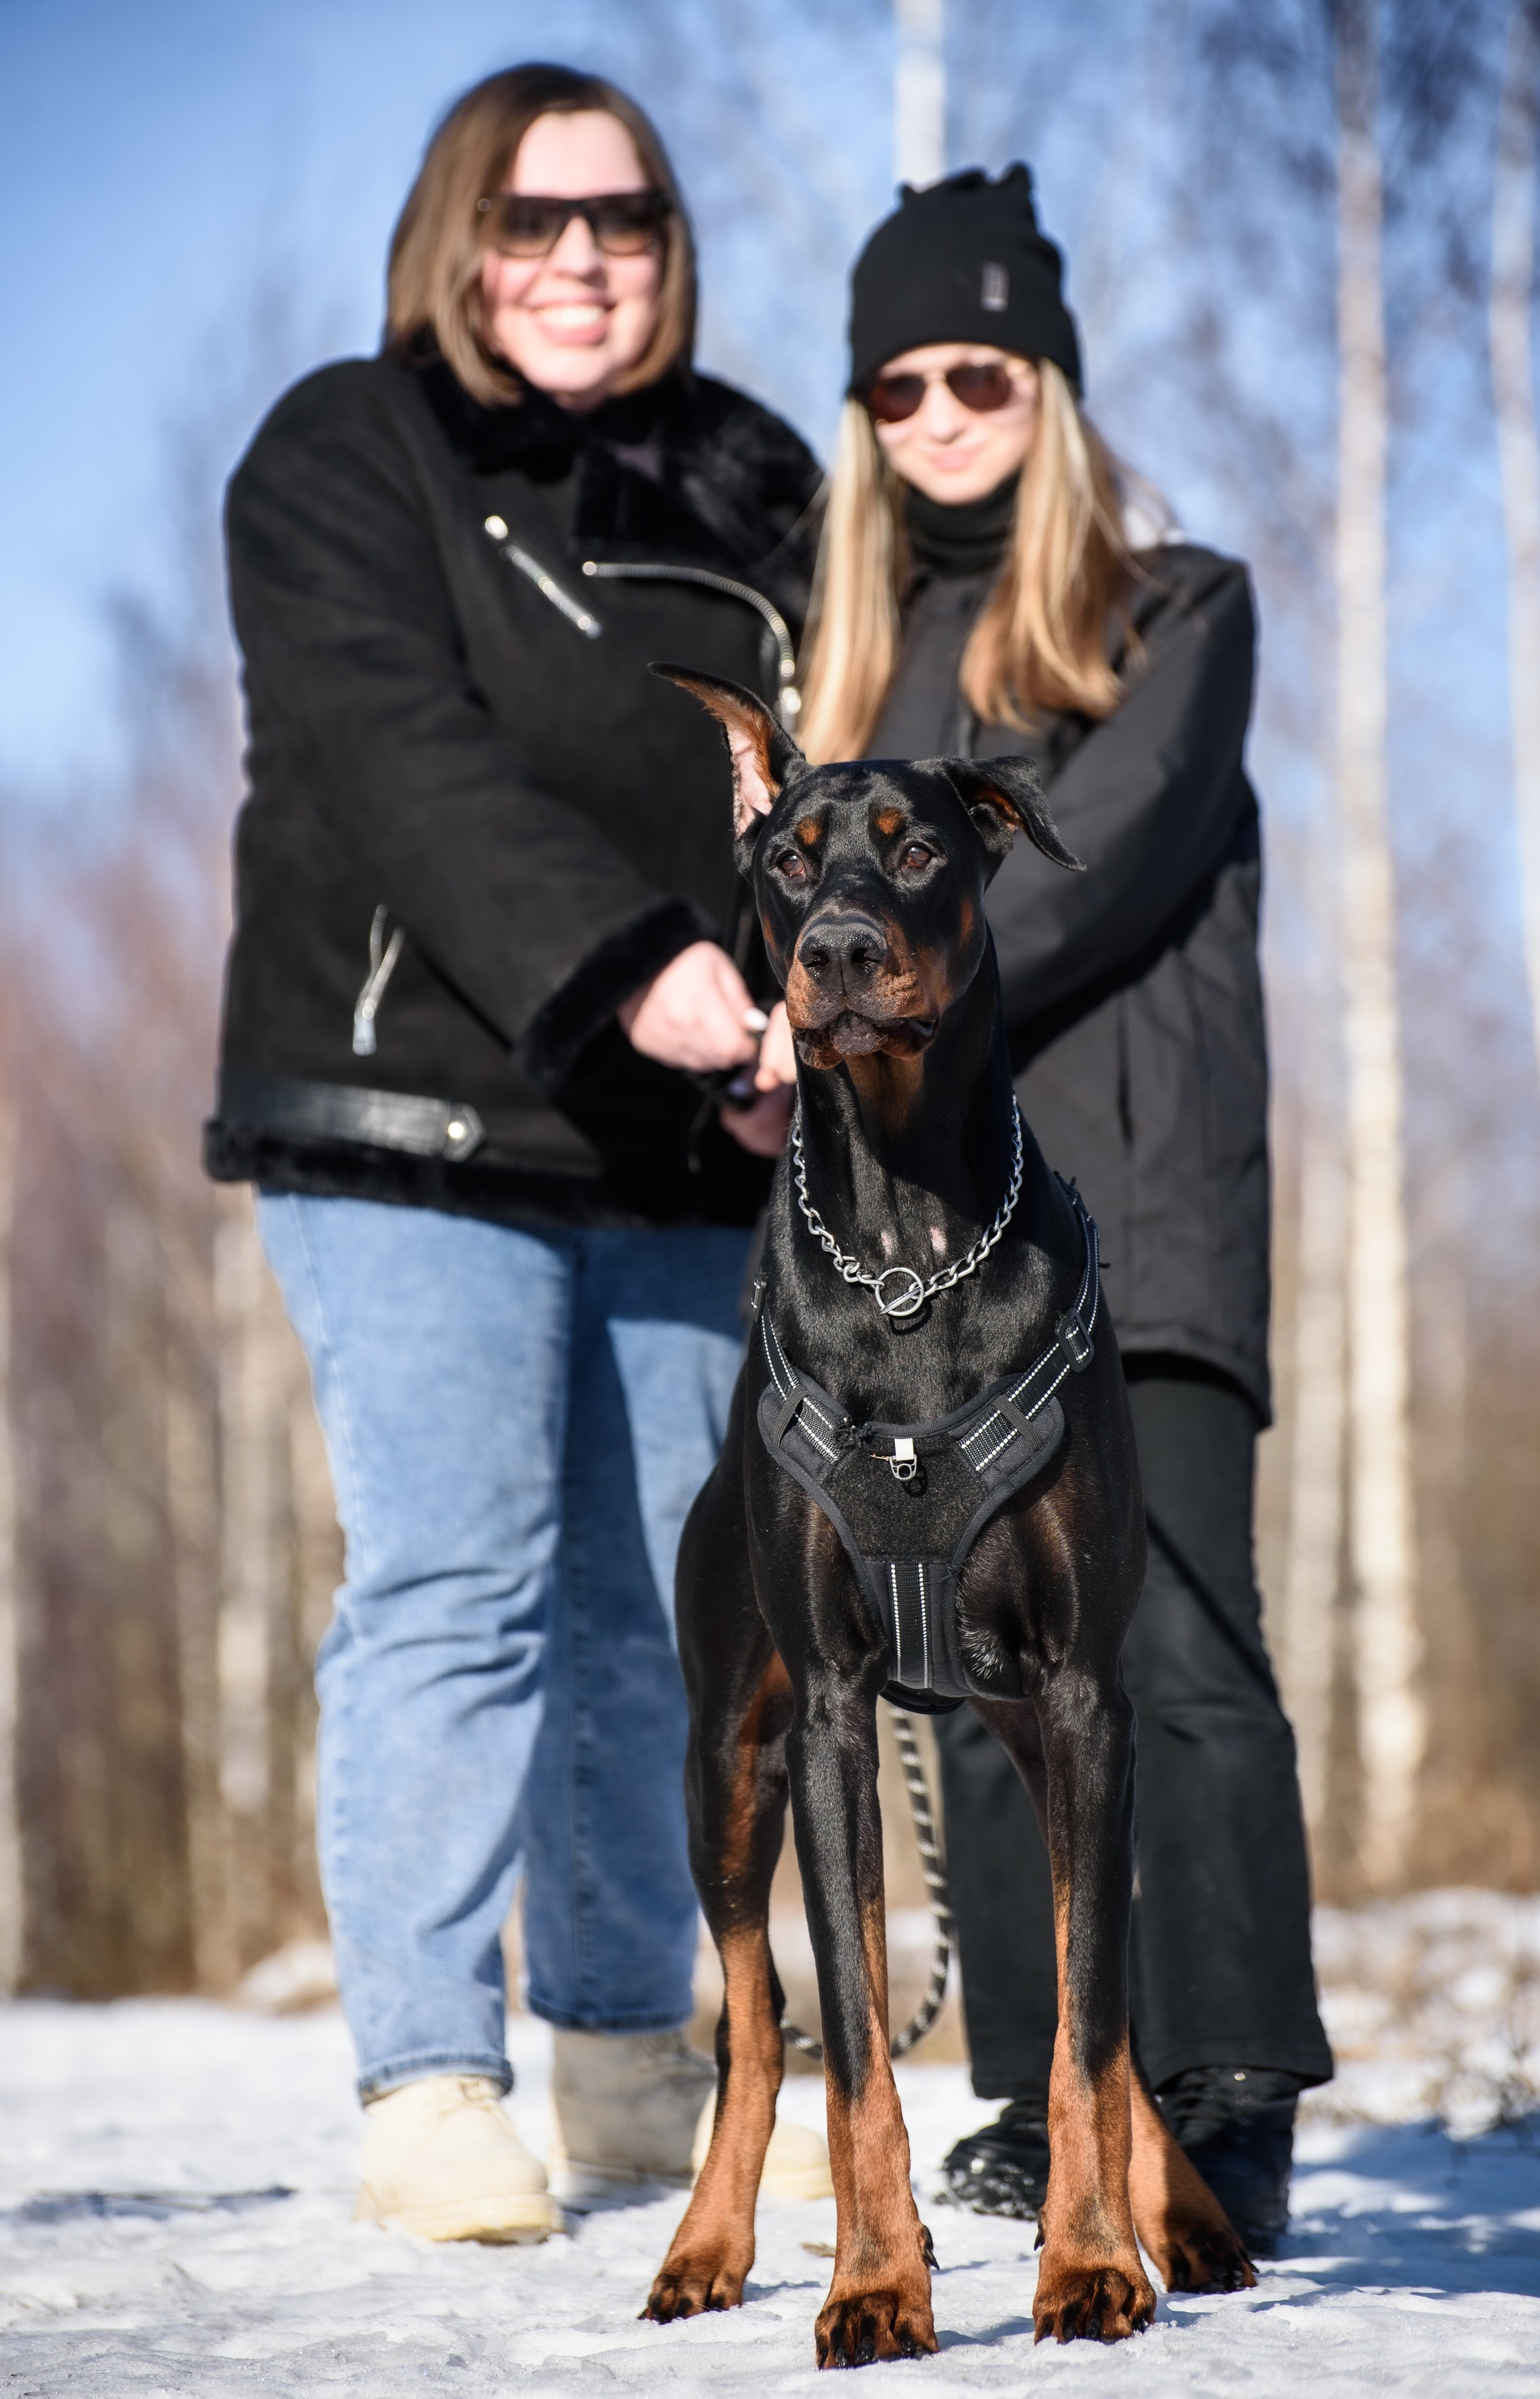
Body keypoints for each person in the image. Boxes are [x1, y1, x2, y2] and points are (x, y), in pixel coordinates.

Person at [206, 63, 822, 2243]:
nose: (579, 261)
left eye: (622, 220)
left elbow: (807, 782)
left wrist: (791, 1019)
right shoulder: (344, 449)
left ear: (669, 248)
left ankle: (635, 2049)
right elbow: (403, 757)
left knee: (665, 1604)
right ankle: (431, 2077)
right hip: (413, 1109)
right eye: (532, 220)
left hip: (680, 1133)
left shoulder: (759, 476)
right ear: (457, 239)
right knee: (457, 1582)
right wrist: (638, 960)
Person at [793, 165, 1333, 2253]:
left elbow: (1096, 867)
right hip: (936, 1257)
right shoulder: (850, 672)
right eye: (901, 383)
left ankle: (1226, 2083)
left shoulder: (1178, 610)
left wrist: (843, 983)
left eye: (984, 371)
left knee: (1174, 1632)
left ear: (1053, 383)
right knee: (970, 1665)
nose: (942, 413)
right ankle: (1039, 2092)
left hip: (1146, 1208)